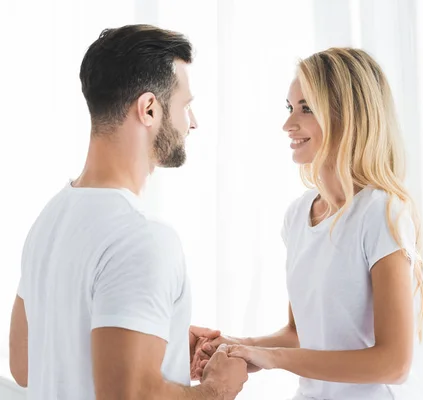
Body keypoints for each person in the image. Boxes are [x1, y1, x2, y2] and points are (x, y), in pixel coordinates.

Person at [9, 24, 248, 399]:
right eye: (185, 105)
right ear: (149, 108)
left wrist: (158, 342)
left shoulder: (51, 219)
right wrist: (218, 389)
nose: (193, 122)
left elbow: (24, 366)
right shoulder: (144, 238)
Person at [191, 48, 423, 399]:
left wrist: (272, 358)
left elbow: (394, 364)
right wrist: (237, 347)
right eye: (290, 108)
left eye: (306, 109)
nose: (288, 124)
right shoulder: (298, 216)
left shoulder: (381, 212)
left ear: (346, 117)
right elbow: (299, 335)